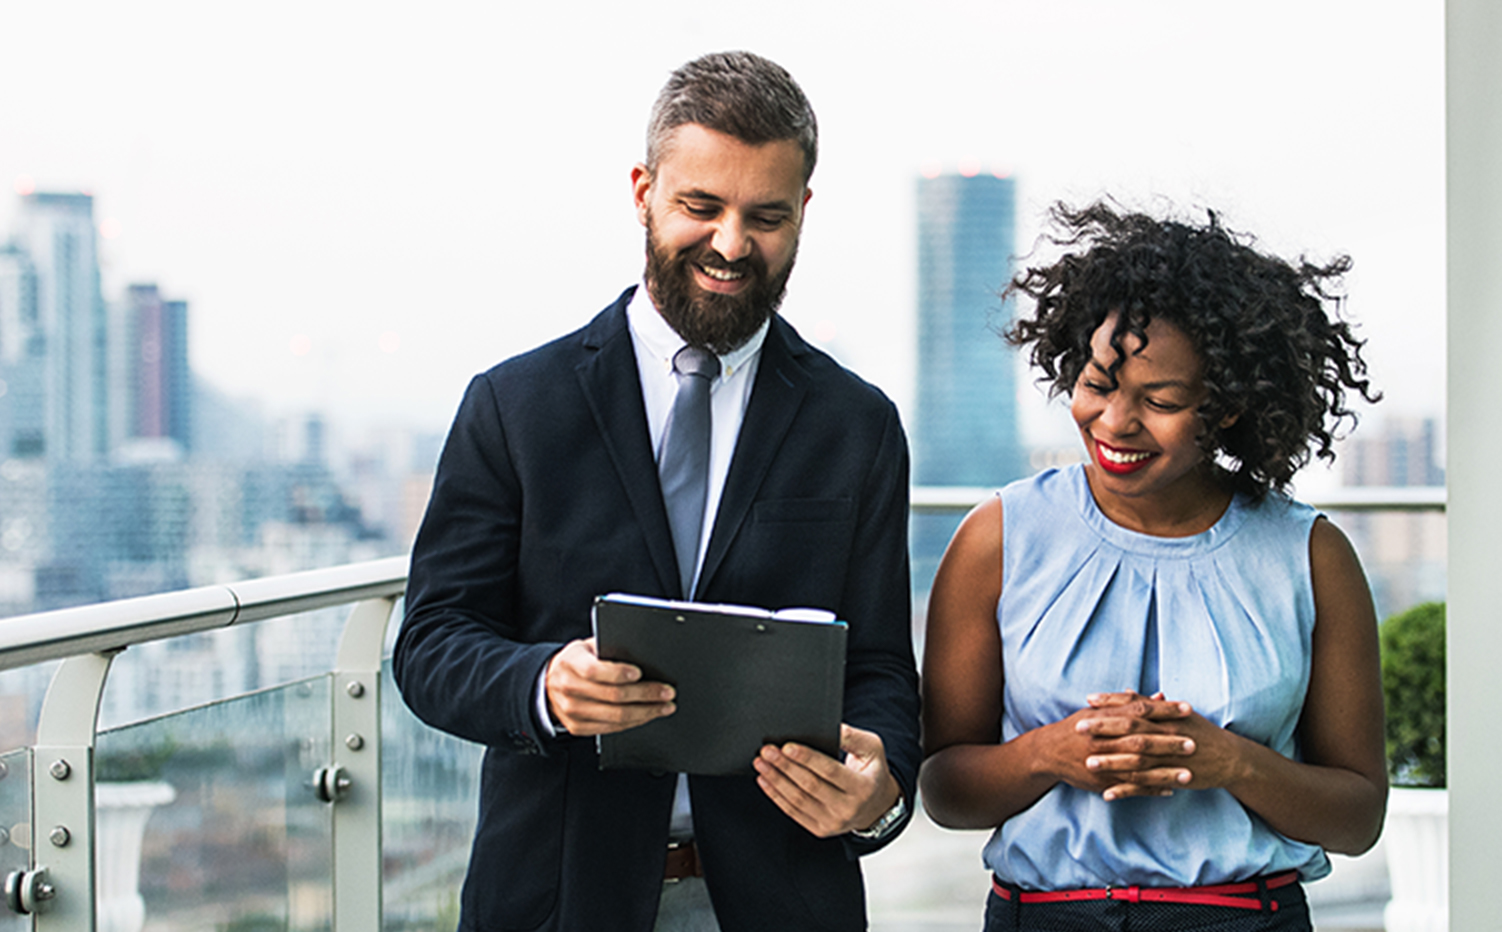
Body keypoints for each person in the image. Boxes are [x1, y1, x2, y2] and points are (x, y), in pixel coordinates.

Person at [393, 51, 919, 932]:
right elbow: (431, 642)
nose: (730, 244)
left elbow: (877, 671)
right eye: (700, 207)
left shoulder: (856, 425)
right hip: (559, 900)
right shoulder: (514, 405)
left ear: (804, 212)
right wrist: (543, 685)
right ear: (643, 191)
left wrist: (878, 789)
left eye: (767, 216)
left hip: (782, 898)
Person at [918, 202, 1388, 931]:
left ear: (1227, 407)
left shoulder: (1310, 555)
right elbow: (945, 789)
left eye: (1160, 401)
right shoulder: (999, 537)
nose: (1115, 424)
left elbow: (1357, 819)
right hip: (1042, 919)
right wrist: (1049, 755)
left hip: (1244, 919)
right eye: (1097, 385)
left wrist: (1231, 762)